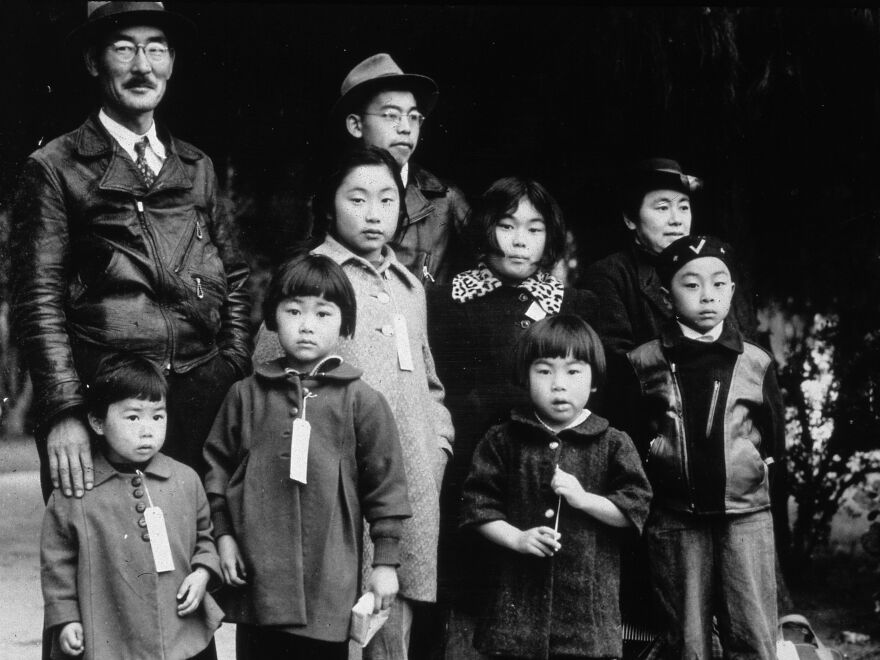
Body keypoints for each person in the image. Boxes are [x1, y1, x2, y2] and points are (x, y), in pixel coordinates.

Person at [11, 1, 252, 503]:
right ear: (94, 62)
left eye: (156, 49)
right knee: (107, 568)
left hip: (201, 402)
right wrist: (64, 412)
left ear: (171, 62)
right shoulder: (55, 166)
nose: (143, 66)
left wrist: (230, 365)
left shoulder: (196, 166)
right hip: (107, 407)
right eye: (124, 48)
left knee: (203, 566)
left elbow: (236, 279)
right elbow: (38, 300)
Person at [253, 146, 454, 660]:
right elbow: (268, 385)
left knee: (391, 633)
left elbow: (429, 383)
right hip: (329, 498)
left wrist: (437, 446)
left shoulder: (410, 288)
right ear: (328, 204)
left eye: (387, 199)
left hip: (407, 492)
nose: (373, 213)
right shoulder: (309, 281)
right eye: (357, 198)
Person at [204, 253, 412, 659]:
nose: (306, 324)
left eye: (323, 312)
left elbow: (386, 490)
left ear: (344, 323)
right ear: (272, 318)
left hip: (329, 580)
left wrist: (385, 563)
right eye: (293, 310)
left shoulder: (362, 401)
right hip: (258, 577)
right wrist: (224, 536)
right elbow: (216, 472)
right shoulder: (245, 396)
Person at [427, 177, 597, 658]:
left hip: (536, 468)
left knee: (530, 595)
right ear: (485, 228)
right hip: (464, 466)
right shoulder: (445, 301)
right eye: (507, 225)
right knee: (463, 602)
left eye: (535, 228)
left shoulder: (571, 305)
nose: (520, 240)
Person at [624, 235, 782, 659]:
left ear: (732, 291)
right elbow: (633, 436)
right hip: (675, 519)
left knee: (753, 632)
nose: (707, 295)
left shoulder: (756, 361)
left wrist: (754, 470)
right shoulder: (644, 362)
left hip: (746, 517)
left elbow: (773, 441)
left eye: (718, 283)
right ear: (665, 295)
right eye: (691, 285)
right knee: (686, 639)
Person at [459, 315, 652, 659]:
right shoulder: (503, 440)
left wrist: (585, 500)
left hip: (586, 620)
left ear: (594, 381)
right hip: (514, 616)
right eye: (544, 371)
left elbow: (635, 509)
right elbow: (477, 507)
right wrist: (516, 538)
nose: (558, 384)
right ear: (525, 376)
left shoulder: (614, 443)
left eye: (573, 371)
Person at [40, 353, 223, 660]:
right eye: (133, 417)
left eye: (157, 416)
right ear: (98, 422)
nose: (147, 429)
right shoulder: (75, 493)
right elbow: (57, 565)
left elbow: (204, 536)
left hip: (178, 628)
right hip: (110, 637)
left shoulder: (185, 480)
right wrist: (67, 617)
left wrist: (204, 571)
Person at [583, 157, 756, 358]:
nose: (676, 220)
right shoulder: (610, 276)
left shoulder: (715, 270)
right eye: (663, 208)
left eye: (683, 207)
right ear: (630, 219)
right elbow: (615, 364)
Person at [335, 52, 470, 286]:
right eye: (391, 115)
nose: (406, 128)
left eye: (415, 117)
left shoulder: (446, 201)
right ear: (356, 125)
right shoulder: (325, 198)